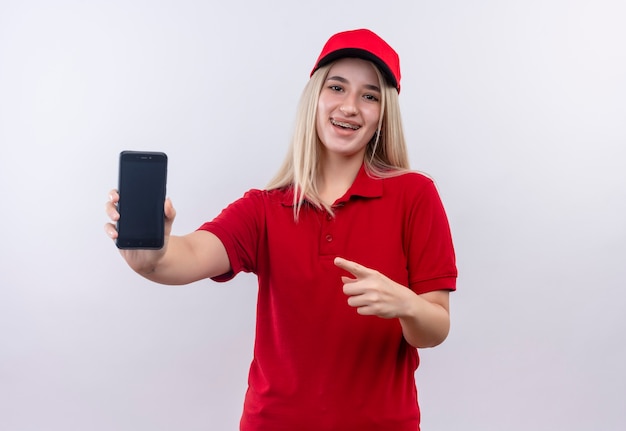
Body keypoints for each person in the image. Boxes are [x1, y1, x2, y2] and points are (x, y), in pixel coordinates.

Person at [105, 28, 457, 431]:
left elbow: (435, 328)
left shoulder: (415, 195)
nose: (350, 106)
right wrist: (150, 258)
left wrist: (406, 305)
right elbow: (186, 257)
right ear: (314, 99)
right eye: (337, 87)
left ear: (382, 115)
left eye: (369, 95)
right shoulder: (264, 208)